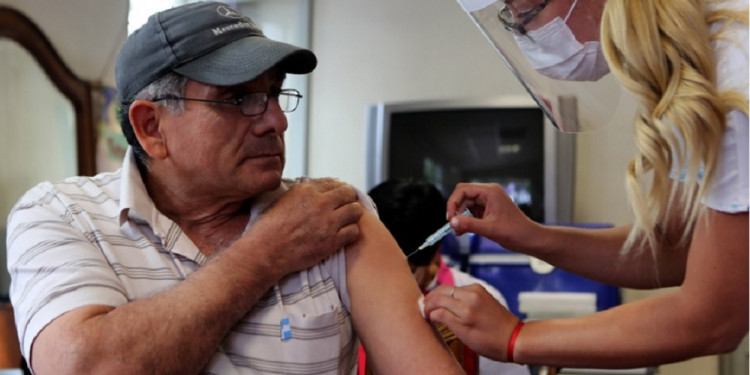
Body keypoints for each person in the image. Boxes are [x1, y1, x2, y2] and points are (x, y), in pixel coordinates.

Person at [5, 3, 465, 375]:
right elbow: (84, 368)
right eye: (239, 98)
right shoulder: (61, 215)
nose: (276, 121)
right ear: (151, 128)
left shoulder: (332, 215)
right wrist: (266, 251)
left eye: (275, 93)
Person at [425, 0, 748, 369]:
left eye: (524, 12)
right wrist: (529, 236)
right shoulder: (692, 68)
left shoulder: (733, 71)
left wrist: (516, 338)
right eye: (507, 17)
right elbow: (676, 248)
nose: (521, 30)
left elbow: (714, 319)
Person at [364, 178, 531, 375]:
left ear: (435, 251)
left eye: (408, 271)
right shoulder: (355, 297)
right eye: (379, 268)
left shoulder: (476, 302)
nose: (390, 284)